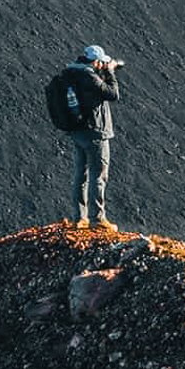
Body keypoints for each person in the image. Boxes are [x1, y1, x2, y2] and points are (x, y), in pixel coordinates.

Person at [62, 44, 121, 230]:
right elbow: (112, 94)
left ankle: (79, 217)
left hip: (78, 131)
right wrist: (110, 72)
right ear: (95, 61)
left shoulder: (72, 73)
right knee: (99, 175)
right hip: (96, 132)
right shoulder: (89, 77)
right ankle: (98, 219)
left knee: (81, 174)